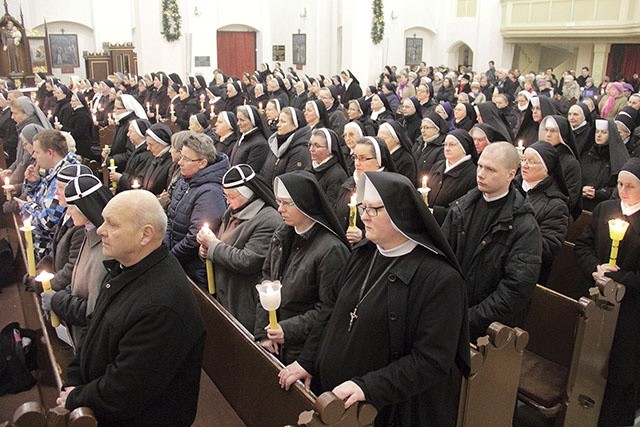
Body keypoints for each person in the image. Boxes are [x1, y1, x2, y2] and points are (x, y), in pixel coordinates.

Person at [279, 171, 470, 426]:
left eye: (373, 209)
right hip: (335, 398)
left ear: (401, 212)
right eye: (363, 207)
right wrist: (308, 360)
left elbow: (431, 361)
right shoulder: (363, 254)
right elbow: (331, 311)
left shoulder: (440, 279)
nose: (363, 216)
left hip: (388, 410)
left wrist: (368, 387)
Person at [57, 190, 206, 426]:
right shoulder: (126, 269)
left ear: (145, 235)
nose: (100, 229)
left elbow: (127, 390)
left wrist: (77, 396)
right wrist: (73, 378)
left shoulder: (161, 305)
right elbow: (93, 328)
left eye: (112, 224)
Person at [442, 142, 541, 340]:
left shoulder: (525, 227)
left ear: (510, 175)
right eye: (480, 166)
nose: (480, 173)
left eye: (490, 169)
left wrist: (467, 319)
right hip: (450, 309)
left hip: (488, 329)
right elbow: (441, 255)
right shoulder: (462, 208)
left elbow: (515, 290)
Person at [255, 171, 350, 365]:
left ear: (305, 203)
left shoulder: (331, 250)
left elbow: (329, 308)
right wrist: (263, 331)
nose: (279, 209)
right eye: (278, 201)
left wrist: (288, 330)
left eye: (287, 203)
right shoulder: (282, 234)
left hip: (303, 349)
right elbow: (267, 280)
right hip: (275, 337)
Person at [574, 158, 640, 427]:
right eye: (620, 184)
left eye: (630, 186)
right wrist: (596, 269)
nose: (622, 190)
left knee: (620, 372)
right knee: (588, 361)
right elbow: (582, 246)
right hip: (595, 298)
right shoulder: (605, 209)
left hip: (631, 311)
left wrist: (619, 279)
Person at [196, 164, 281, 330]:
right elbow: (221, 243)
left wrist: (212, 245)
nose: (228, 201)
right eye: (226, 195)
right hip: (224, 292)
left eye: (232, 196)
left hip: (243, 298)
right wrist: (205, 250)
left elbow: (248, 260)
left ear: (247, 194)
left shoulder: (268, 220)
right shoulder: (232, 211)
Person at [44, 174, 113, 348]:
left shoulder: (106, 251)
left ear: (85, 208)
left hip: (91, 341)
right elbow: (77, 278)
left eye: (71, 207)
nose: (67, 211)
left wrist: (57, 301)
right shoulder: (88, 233)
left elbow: (93, 310)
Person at [165, 132, 229, 286]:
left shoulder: (210, 192)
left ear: (202, 163)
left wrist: (170, 258)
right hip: (177, 261)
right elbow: (171, 217)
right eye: (181, 156)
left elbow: (195, 237)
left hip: (195, 270)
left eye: (186, 159)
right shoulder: (186, 180)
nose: (180, 162)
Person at [18, 129, 78, 260]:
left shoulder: (66, 175)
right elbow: (42, 200)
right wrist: (34, 183)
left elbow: (48, 222)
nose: (34, 156)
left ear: (50, 153)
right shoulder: (57, 169)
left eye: (37, 152)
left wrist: (28, 206)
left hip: (49, 251)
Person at [516, 141, 569, 284]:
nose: (525, 165)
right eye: (524, 160)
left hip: (526, 273)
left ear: (547, 169)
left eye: (532, 162)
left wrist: (514, 239)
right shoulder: (510, 185)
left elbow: (549, 247)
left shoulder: (556, 205)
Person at [428, 129, 478, 225]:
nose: (447, 148)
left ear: (464, 148)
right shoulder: (438, 166)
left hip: (449, 228)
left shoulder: (472, 174)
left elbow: (466, 209)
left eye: (452, 145)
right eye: (445, 144)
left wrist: (436, 213)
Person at [580, 119, 629, 212]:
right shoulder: (585, 154)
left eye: (604, 132)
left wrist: (598, 193)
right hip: (581, 204)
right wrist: (581, 189)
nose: (599, 135)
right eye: (597, 132)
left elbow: (619, 187)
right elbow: (575, 179)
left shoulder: (619, 158)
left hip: (604, 207)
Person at [538, 115, 582, 218]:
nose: (548, 135)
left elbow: (570, 198)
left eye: (553, 131)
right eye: (546, 130)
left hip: (555, 216)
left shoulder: (571, 163)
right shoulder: (538, 156)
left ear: (563, 134)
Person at [260, 106, 311, 186]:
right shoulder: (275, 143)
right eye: (279, 121)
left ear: (295, 125)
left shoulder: (300, 151)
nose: (278, 125)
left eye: (283, 122)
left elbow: (291, 183)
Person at [109, 119, 153, 192]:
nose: (128, 134)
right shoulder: (137, 150)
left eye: (131, 131)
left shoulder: (146, 154)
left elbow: (139, 181)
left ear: (139, 134)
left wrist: (120, 178)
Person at [310, 128, 349, 207]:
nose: (311, 149)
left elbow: (330, 208)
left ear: (329, 150)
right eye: (310, 144)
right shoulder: (310, 166)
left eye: (317, 146)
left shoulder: (337, 175)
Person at [229, 105, 270, 173]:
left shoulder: (260, 144)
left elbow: (249, 172)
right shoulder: (241, 138)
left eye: (242, 120)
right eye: (238, 119)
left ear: (252, 121)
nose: (238, 123)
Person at [141, 123, 174, 195]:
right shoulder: (156, 158)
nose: (148, 148)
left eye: (151, 144)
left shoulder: (171, 162)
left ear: (162, 143)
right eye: (147, 144)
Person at [414, 112, 448, 180]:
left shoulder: (442, 148)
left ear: (436, 130)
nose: (422, 131)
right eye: (421, 128)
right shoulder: (419, 142)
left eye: (426, 127)